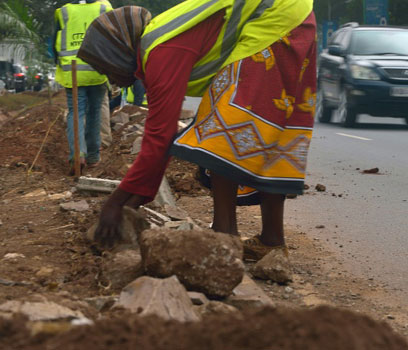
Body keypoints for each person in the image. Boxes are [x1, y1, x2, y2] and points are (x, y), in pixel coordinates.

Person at [78, 1, 316, 261]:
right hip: (293, 17)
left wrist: (114, 204)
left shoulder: (162, 49)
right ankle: (271, 241)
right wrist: (131, 204)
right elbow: (160, 140)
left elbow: (160, 137)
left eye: (105, 68)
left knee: (221, 133)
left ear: (116, 53)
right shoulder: (160, 43)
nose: (110, 80)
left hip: (276, 17)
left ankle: (225, 238)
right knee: (267, 129)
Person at [54, 0, 112, 174]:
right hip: (98, 70)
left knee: (76, 112)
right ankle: (93, 157)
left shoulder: (63, 12)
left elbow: (53, 45)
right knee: (94, 112)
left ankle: (77, 155)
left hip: (73, 72)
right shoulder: (105, 8)